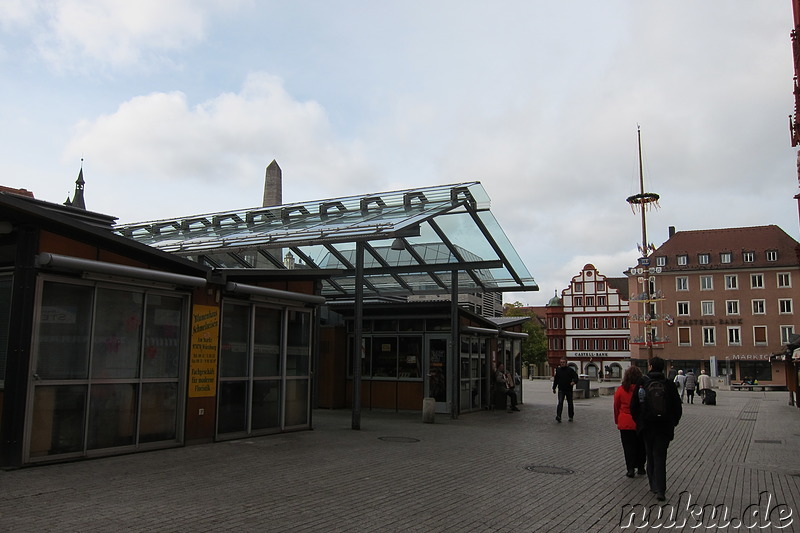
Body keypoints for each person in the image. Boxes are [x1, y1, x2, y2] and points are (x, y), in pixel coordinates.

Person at [630, 356, 682, 502]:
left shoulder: (643, 382)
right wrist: (673, 422)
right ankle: (661, 489)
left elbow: (634, 405)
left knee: (650, 454)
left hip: (647, 425)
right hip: (664, 426)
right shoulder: (668, 384)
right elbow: (677, 406)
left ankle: (653, 484)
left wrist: (639, 422)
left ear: (651, 366)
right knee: (660, 456)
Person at [614, 365, 646, 478]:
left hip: (625, 422)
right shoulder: (642, 389)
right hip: (639, 422)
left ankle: (630, 469)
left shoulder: (621, 390)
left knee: (628, 447)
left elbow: (616, 406)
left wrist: (617, 419)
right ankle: (641, 467)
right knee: (641, 446)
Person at [552, 358, 579, 422]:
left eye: (563, 362)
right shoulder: (558, 370)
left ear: (566, 363)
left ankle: (571, 416)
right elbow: (556, 380)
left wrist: (574, 382)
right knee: (560, 402)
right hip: (561, 389)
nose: (562, 363)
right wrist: (554, 388)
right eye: (561, 362)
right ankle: (558, 416)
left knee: (570, 403)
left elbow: (576, 377)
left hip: (568, 389)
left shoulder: (570, 370)